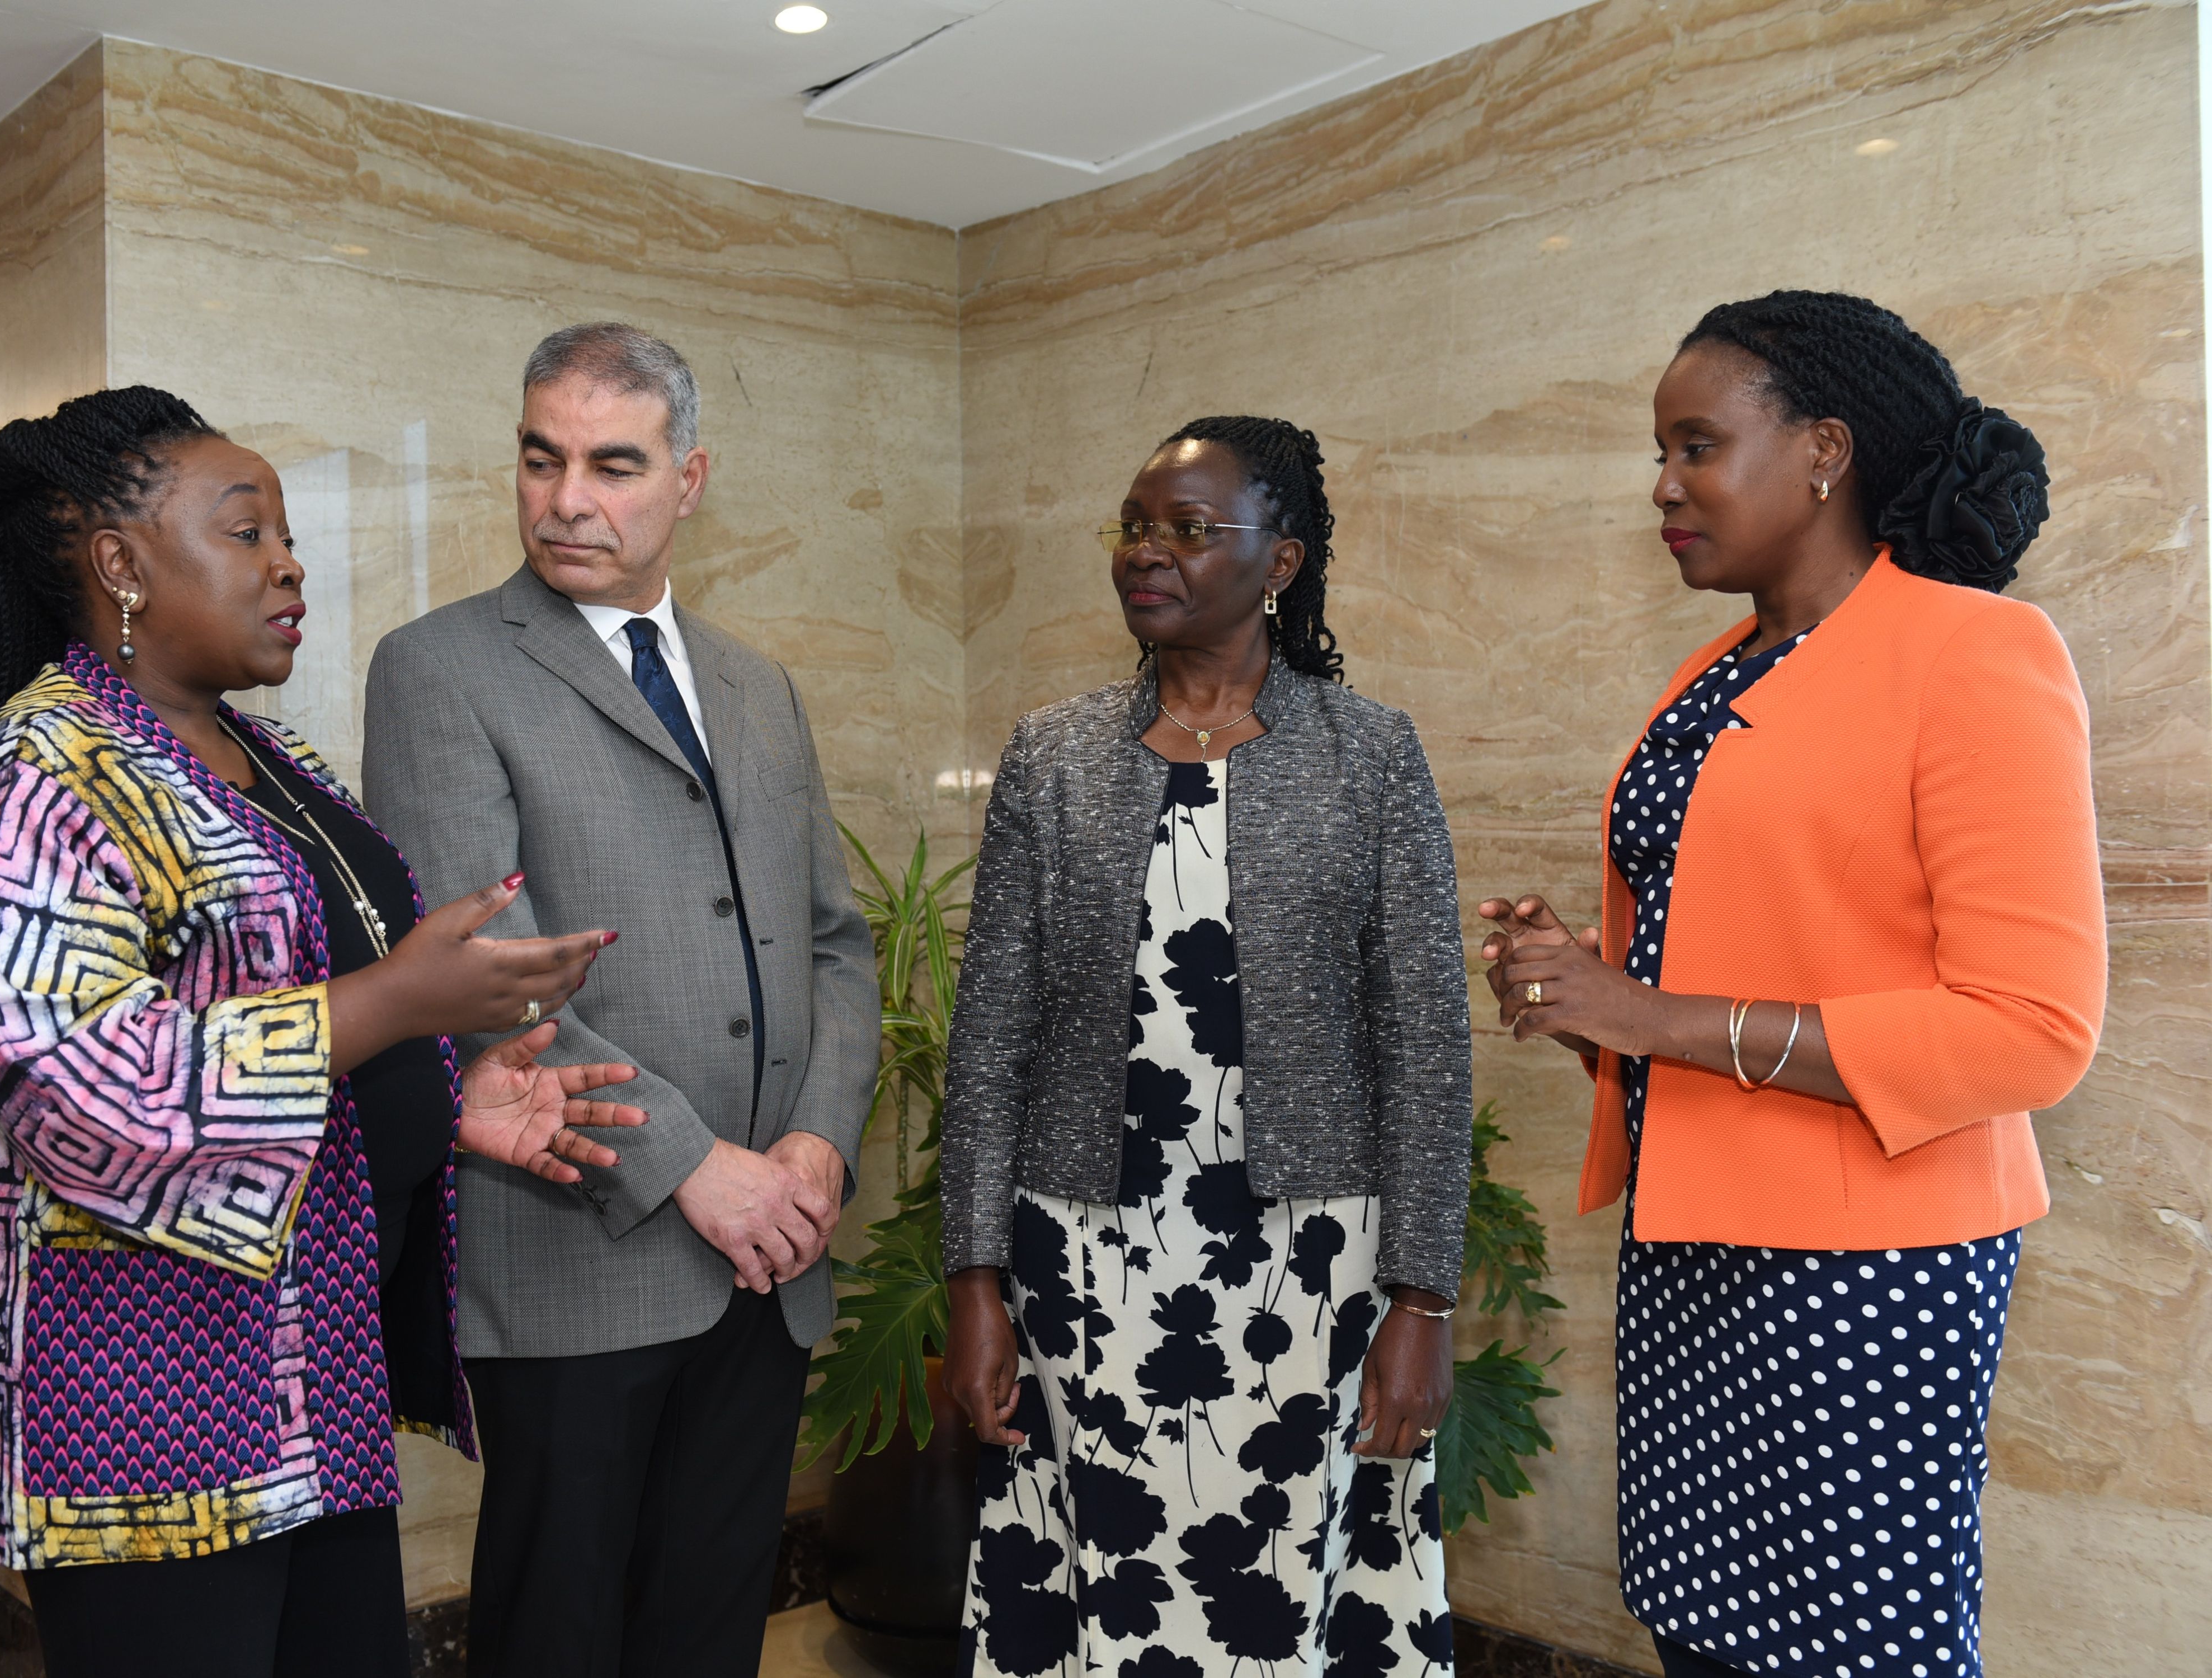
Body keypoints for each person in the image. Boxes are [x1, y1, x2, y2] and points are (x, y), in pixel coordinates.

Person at [0, 386, 649, 1678]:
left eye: (288, 535)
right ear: (122, 564)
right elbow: (76, 1092)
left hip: (310, 1376)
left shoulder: (264, 752)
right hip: (142, 1412)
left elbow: (300, 994)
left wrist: (444, 1093)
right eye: (247, 532)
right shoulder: (35, 772)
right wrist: (398, 1004)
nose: (289, 563)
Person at [1477, 291, 2106, 1678]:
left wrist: (1646, 1012)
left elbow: (2033, 1029)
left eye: (1696, 446)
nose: (1663, 485)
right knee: (1699, 1628)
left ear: (1826, 450)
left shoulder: (1975, 650)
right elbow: (1743, 959)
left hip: (1865, 1275)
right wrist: (1586, 996)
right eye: (1659, 451)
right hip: (1689, 1246)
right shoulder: (1712, 675)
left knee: (1846, 1649)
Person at [363, 323, 880, 1677]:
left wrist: (815, 1147)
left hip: (770, 1260)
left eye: (612, 464)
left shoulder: (760, 685)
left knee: (710, 1630)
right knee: (562, 1632)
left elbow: (835, 943)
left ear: (688, 479)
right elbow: (483, 980)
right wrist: (697, 1164)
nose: (566, 499)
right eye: (541, 459)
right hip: (578, 1258)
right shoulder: (440, 666)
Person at [939, 416, 1474, 1676]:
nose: (1147, 551)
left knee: (1289, 1580)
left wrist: (1422, 1298)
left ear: (1280, 561)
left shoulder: (1370, 754)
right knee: (1097, 1564)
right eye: (1134, 526)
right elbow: (991, 1040)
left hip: (1309, 1265)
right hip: (1083, 1261)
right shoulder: (1053, 754)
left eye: (1188, 528)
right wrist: (974, 1283)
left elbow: (1427, 1046)